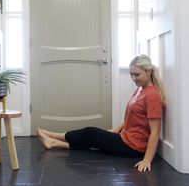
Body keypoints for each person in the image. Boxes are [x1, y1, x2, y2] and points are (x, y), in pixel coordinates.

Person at [37, 54, 166, 172]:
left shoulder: (152, 96)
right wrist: (116, 130)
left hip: (133, 147)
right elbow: (131, 118)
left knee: (90, 132)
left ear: (148, 71)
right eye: (131, 74)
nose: (133, 78)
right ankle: (54, 143)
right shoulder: (140, 90)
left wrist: (147, 160)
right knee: (93, 141)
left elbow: (155, 131)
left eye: (136, 75)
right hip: (126, 137)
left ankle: (52, 135)